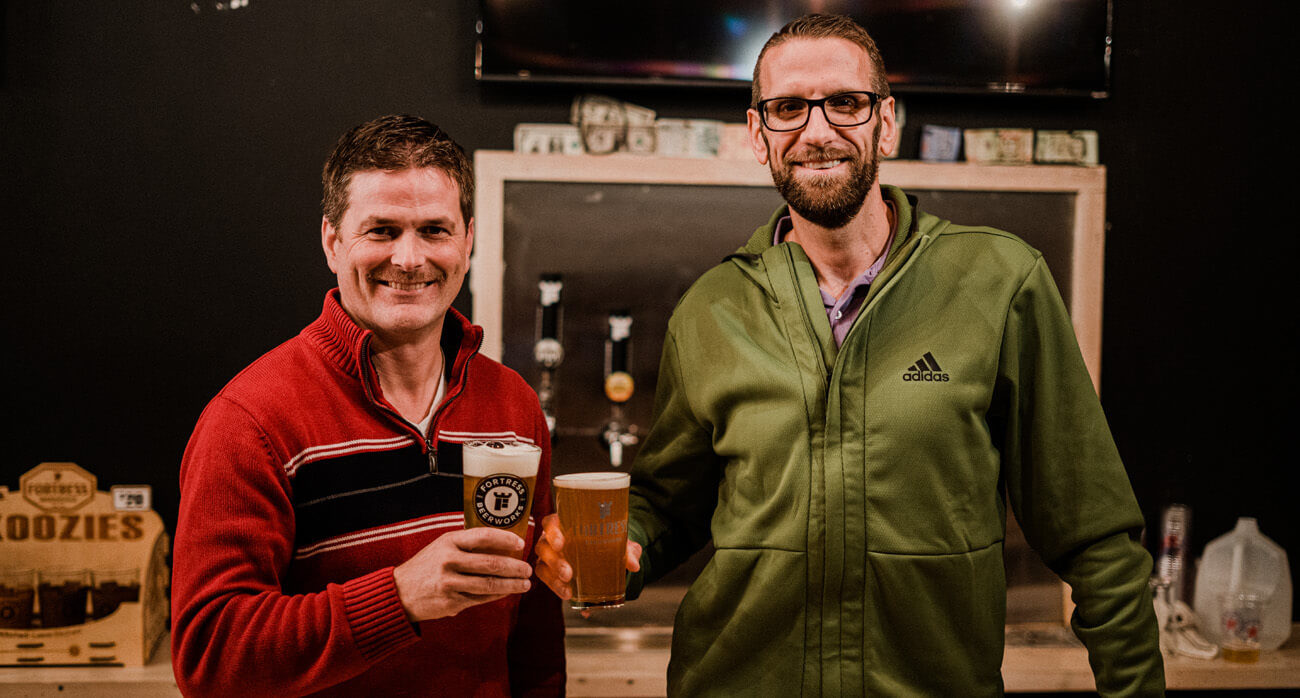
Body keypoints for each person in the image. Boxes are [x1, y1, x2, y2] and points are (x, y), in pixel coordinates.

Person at [537, 14, 1164, 696]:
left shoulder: (999, 281)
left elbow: (1095, 538)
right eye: (788, 108)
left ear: (885, 123)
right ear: (758, 135)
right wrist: (610, 549)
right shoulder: (710, 309)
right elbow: (670, 505)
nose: (817, 130)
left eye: (845, 102)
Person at [171, 114, 564, 697]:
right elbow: (210, 656)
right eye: (381, 230)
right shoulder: (251, 420)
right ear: (332, 241)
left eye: (434, 230)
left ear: (467, 241)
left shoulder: (513, 405)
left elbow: (534, 637)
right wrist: (399, 598)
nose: (409, 258)